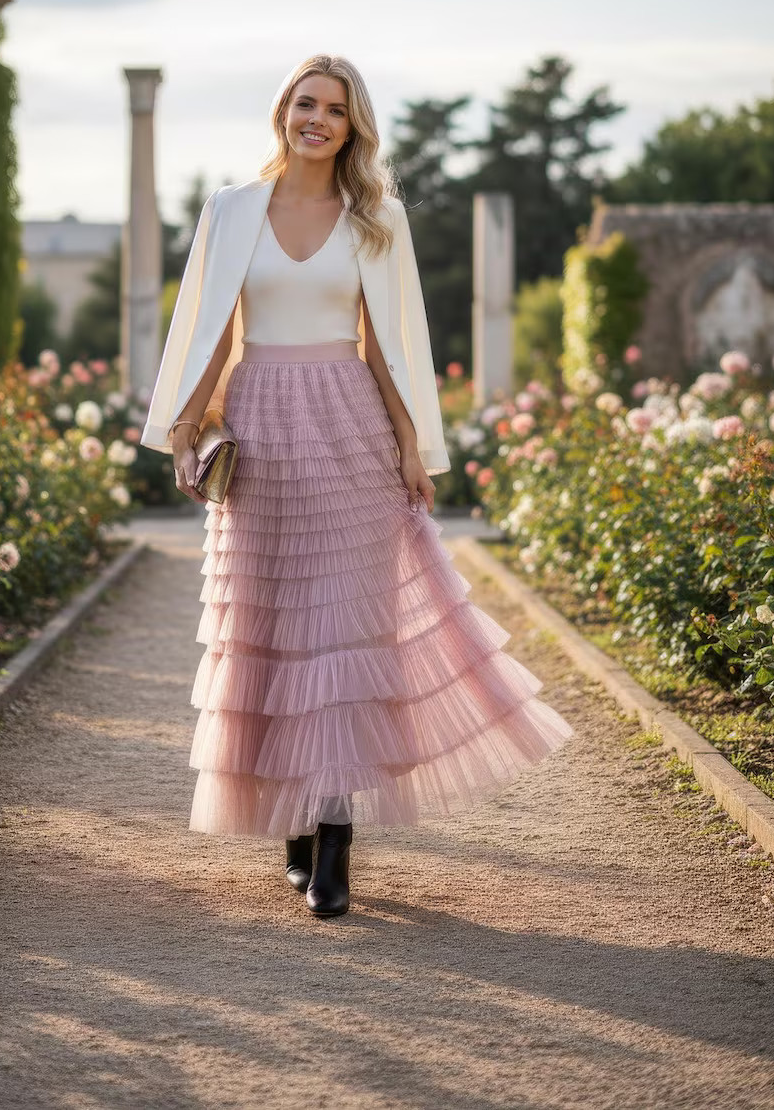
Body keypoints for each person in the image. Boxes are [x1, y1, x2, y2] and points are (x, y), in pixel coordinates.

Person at [140, 54, 573, 918]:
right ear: (283, 112)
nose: (317, 119)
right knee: (274, 631)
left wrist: (413, 446)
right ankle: (294, 828)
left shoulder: (378, 217)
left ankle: (333, 837)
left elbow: (390, 345)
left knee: (345, 631)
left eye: (335, 110)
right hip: (259, 429)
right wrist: (185, 433)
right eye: (306, 103)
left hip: (350, 430)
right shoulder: (230, 211)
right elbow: (211, 334)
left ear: (352, 126)